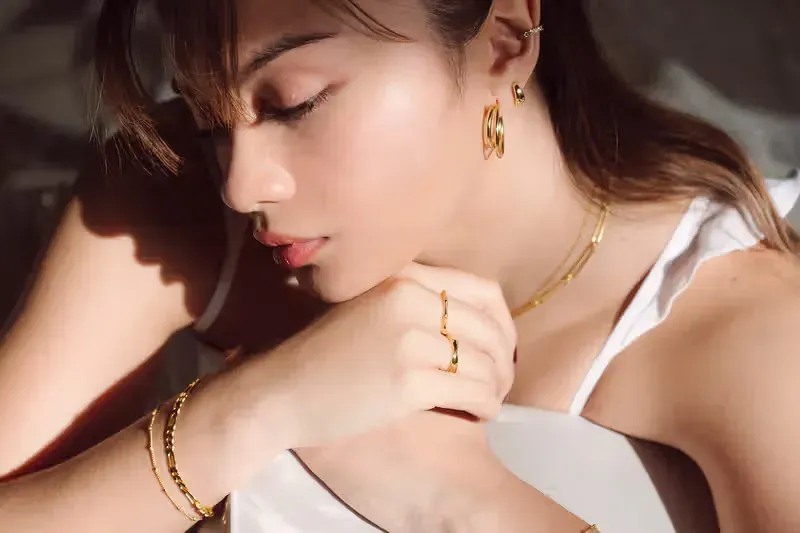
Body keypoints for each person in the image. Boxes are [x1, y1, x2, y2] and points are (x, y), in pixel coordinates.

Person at [0, 0, 798, 531]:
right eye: (211, 118)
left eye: (294, 102)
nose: (242, 185)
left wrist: (466, 504)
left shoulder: (750, 333)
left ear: (505, 41)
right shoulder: (172, 201)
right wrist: (255, 409)